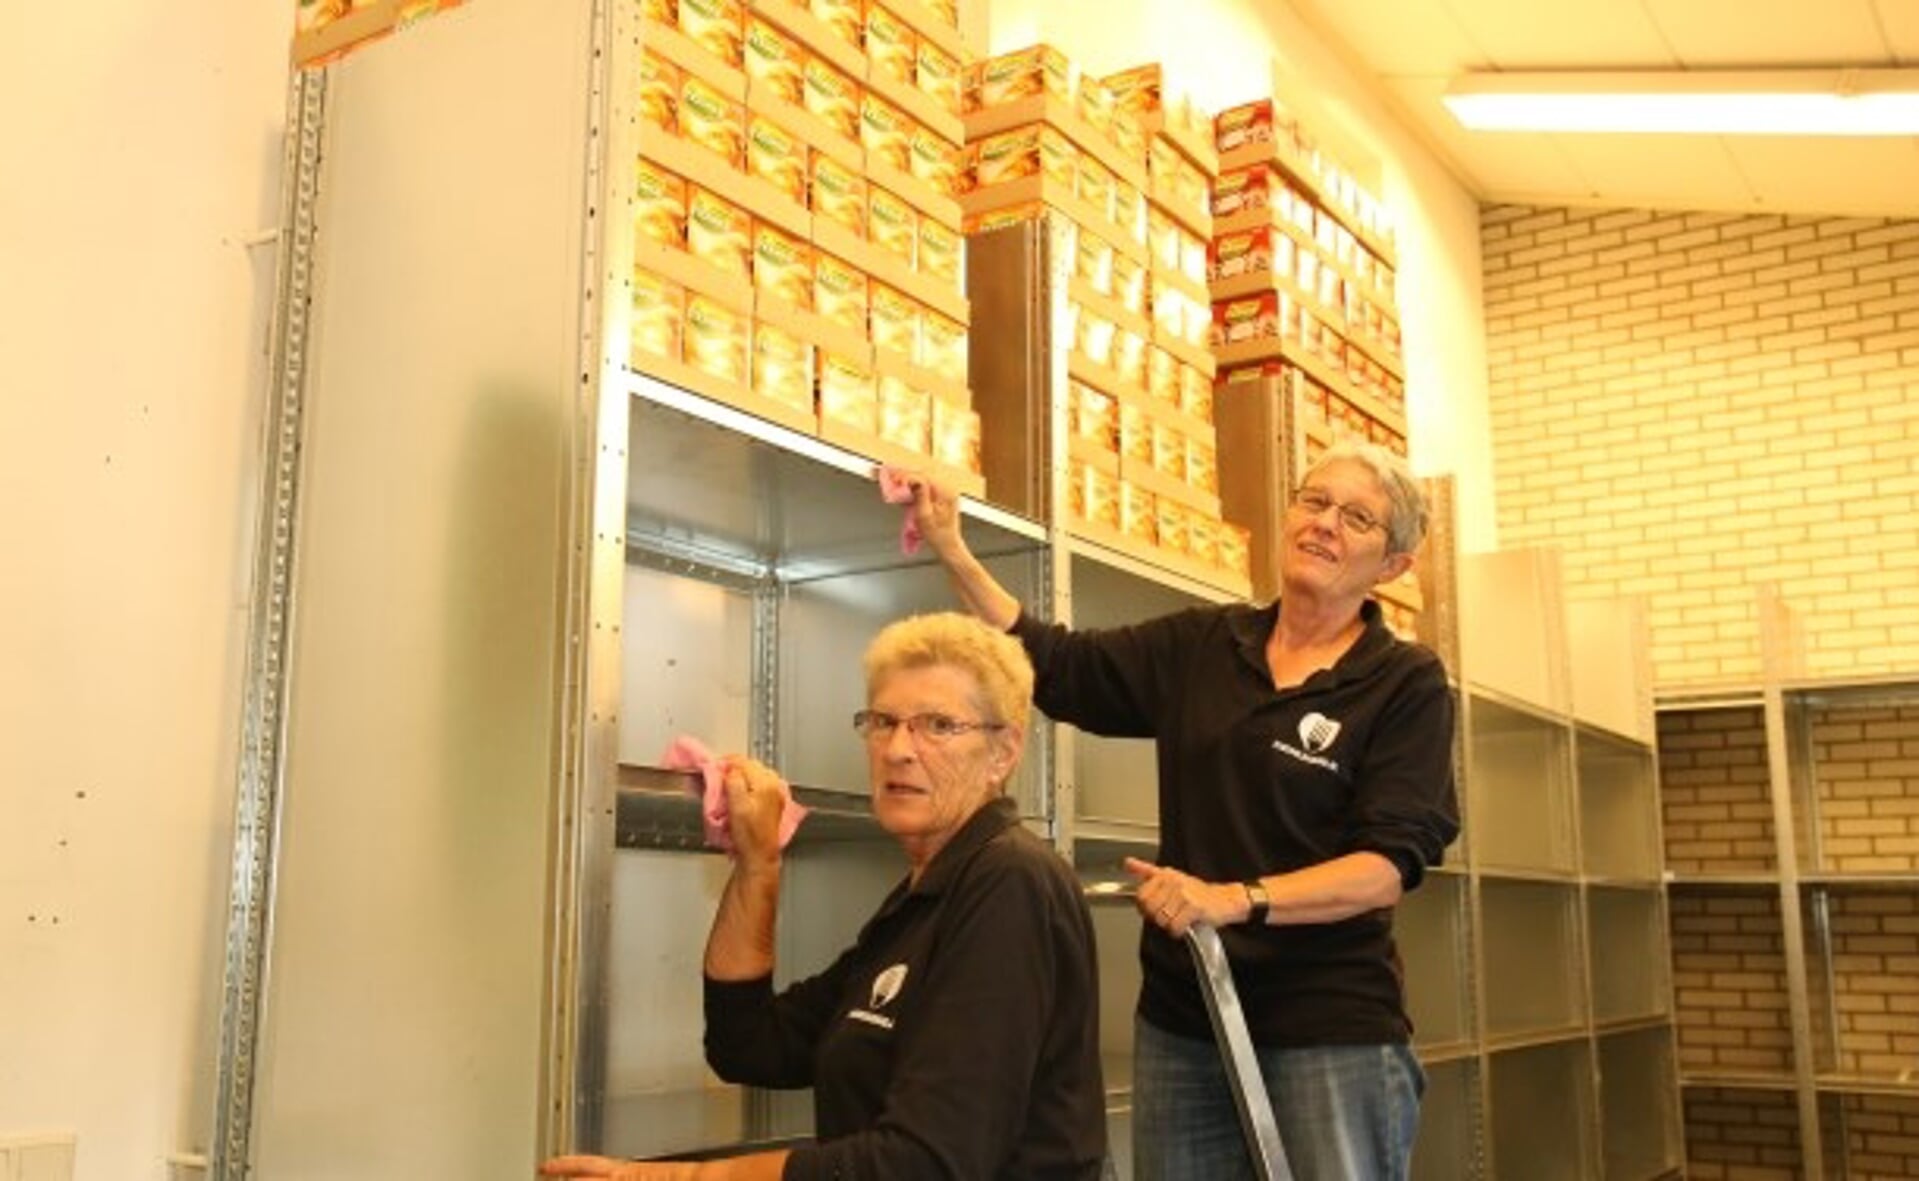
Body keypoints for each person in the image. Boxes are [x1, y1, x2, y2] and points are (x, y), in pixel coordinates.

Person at [903, 439, 1460, 1180]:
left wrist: (1234, 899)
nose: (1324, 522)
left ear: (1392, 565)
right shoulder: (1207, 643)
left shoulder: (1402, 681)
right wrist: (952, 548)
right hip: (1185, 1018)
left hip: (1328, 1029)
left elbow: (1385, 867)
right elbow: (1063, 667)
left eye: (1356, 517)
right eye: (1314, 500)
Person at [542, 612, 1106, 1181]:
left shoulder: (1010, 883)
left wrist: (672, 1178)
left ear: (1003, 753)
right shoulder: (918, 901)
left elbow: (925, 1163)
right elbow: (751, 1044)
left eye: (937, 725)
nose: (898, 749)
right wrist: (759, 864)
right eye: (883, 721)